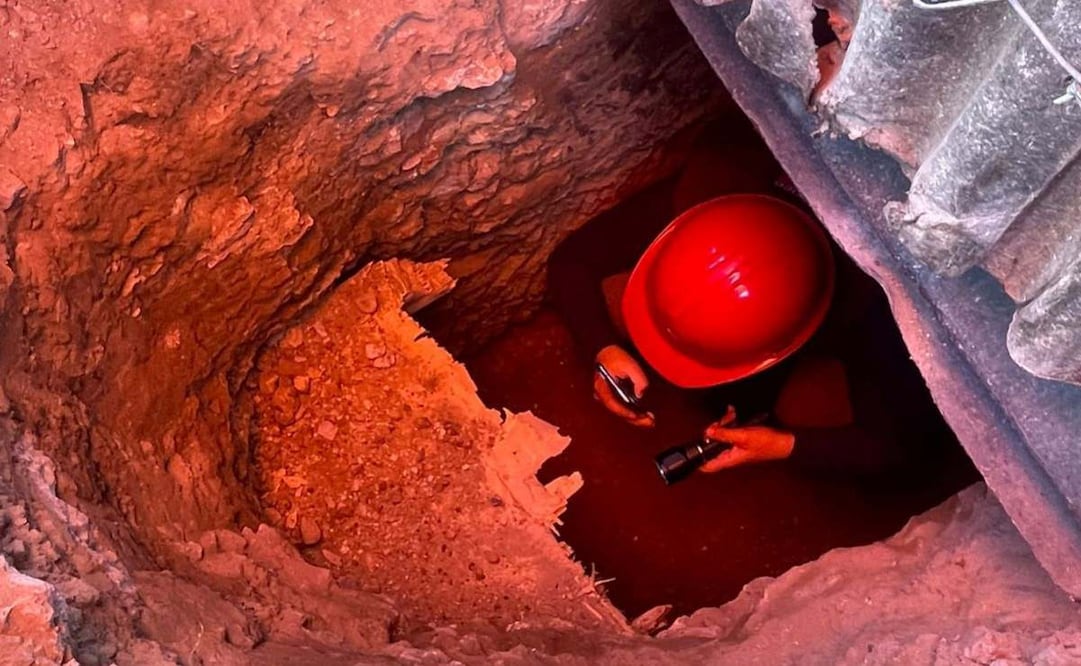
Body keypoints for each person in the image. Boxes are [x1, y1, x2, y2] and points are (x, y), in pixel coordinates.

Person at [547, 120, 961, 479]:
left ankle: (762, 399)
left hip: (870, 270)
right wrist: (603, 348)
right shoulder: (720, 183)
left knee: (805, 409)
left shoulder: (883, 307)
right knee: (624, 303)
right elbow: (572, 262)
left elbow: (900, 449)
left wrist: (781, 445)